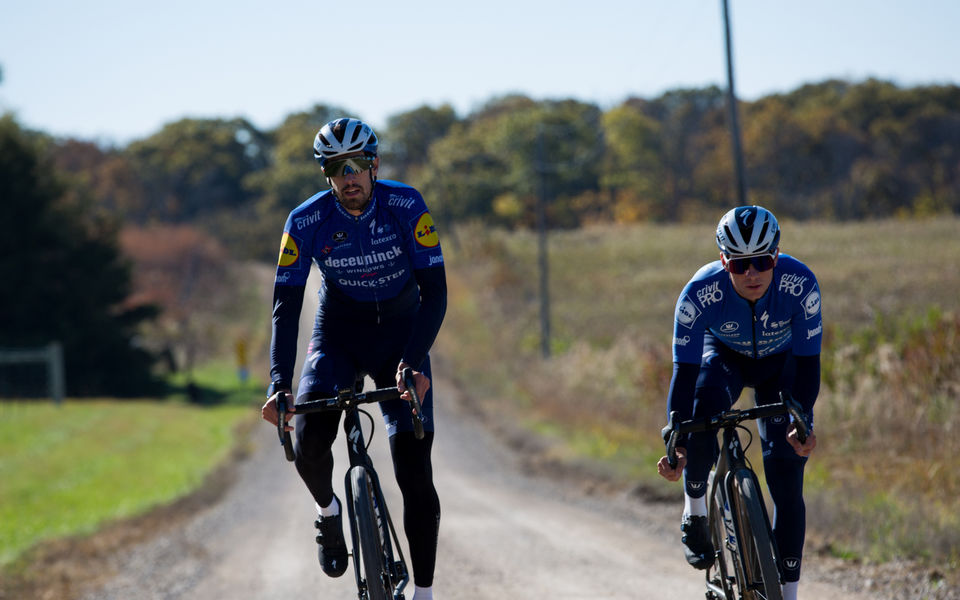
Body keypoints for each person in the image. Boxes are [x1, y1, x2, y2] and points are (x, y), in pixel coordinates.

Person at [261, 117, 446, 600]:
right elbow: (286, 304)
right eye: (337, 168)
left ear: (374, 164)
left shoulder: (406, 205)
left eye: (358, 165)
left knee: (414, 469)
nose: (349, 177)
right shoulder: (305, 220)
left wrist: (414, 361)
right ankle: (329, 511)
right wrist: (279, 383)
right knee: (309, 437)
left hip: (402, 335)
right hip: (339, 333)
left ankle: (424, 595)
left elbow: (437, 293)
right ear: (326, 174)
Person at [656, 206, 821, 600]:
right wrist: (676, 440)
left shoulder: (801, 285)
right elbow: (684, 374)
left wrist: (803, 422)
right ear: (723, 261)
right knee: (700, 412)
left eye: (762, 261)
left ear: (776, 257)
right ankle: (695, 510)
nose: (752, 274)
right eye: (740, 265)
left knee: (786, 479)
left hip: (780, 367)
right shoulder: (698, 294)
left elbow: (809, 367)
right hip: (724, 359)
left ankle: (789, 592)